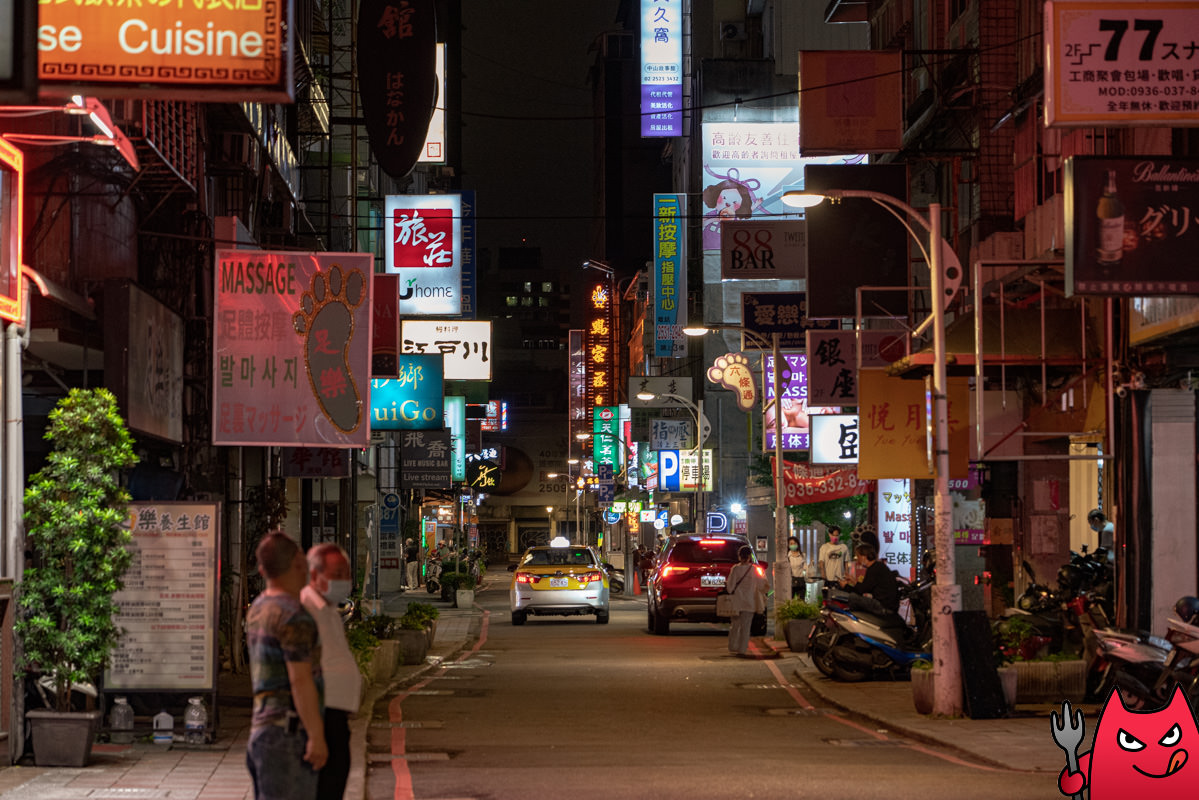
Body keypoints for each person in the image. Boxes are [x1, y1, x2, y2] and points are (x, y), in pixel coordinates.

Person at [245, 532, 326, 800]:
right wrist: (316, 735)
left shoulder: (258, 608)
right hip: (287, 737)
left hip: (262, 732)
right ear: (298, 564)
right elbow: (299, 680)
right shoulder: (293, 616)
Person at [301, 543, 361, 800]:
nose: (343, 581)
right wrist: (314, 735)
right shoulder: (305, 611)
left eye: (346, 574)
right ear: (315, 576)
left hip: (335, 717)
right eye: (337, 574)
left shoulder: (328, 610)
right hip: (318, 718)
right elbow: (300, 675)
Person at [726, 545, 769, 656]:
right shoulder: (755, 570)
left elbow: (730, 587)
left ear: (739, 556)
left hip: (736, 602)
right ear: (750, 557)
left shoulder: (735, 569)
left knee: (734, 626)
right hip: (749, 602)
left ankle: (732, 646)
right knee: (746, 627)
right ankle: (742, 650)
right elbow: (762, 586)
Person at [838, 543, 900, 616]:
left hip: (882, 606)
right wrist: (852, 580)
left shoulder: (874, 569)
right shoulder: (878, 566)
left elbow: (862, 590)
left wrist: (845, 586)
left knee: (852, 597)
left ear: (864, 557)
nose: (857, 559)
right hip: (888, 605)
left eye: (858, 556)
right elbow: (864, 587)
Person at [787, 536, 807, 601]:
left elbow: (805, 568)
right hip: (790, 581)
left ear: (798, 544)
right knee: (789, 601)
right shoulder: (786, 556)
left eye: (794, 543)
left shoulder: (802, 555)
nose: (793, 545)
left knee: (801, 601)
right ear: (788, 545)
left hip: (801, 581)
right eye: (791, 544)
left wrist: (804, 574)